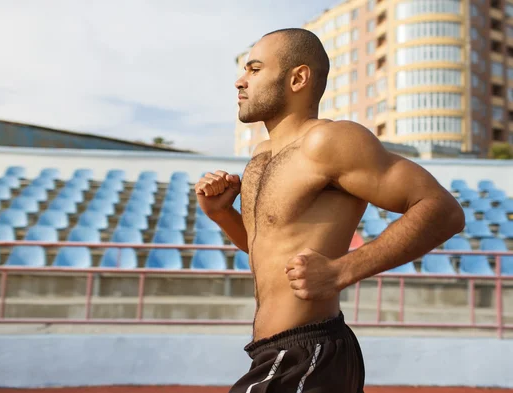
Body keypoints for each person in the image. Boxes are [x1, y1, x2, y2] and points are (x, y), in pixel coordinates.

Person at [194, 28, 465, 393]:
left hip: (308, 354)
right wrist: (221, 214)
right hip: (276, 353)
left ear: (298, 78)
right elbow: (269, 249)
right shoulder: (260, 155)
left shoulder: (330, 141)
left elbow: (443, 210)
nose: (240, 81)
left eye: (255, 70)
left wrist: (342, 270)